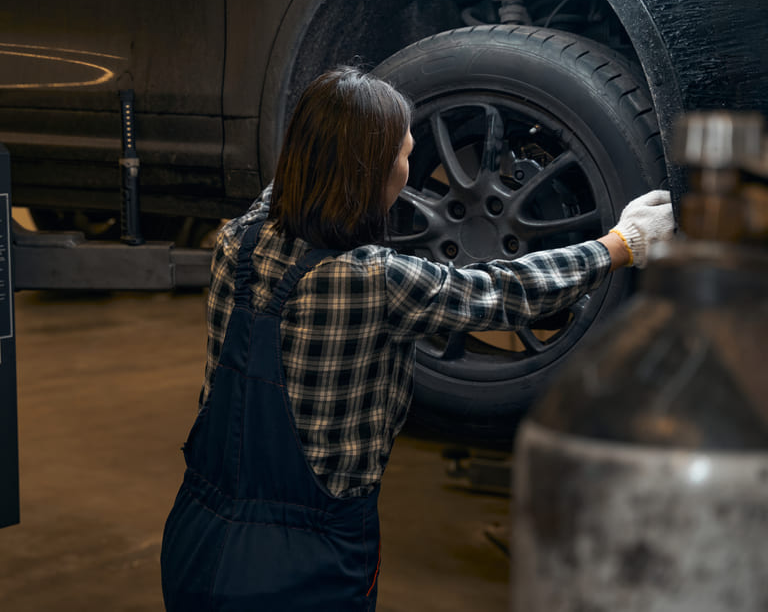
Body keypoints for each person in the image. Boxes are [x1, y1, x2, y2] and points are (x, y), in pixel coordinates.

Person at [159, 66, 674, 611]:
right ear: (370, 174)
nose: (411, 167)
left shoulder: (235, 241)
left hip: (196, 538)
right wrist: (620, 243)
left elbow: (301, 171)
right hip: (299, 566)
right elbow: (503, 292)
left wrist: (353, 104)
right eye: (405, 154)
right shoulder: (374, 281)